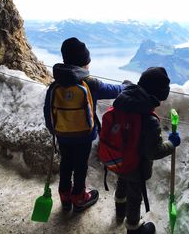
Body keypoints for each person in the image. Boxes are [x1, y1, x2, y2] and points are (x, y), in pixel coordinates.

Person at [43, 37, 127, 212]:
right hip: (83, 136)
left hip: (62, 134)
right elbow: (115, 91)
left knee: (66, 162)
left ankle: (65, 195)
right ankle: (79, 196)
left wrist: (55, 131)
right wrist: (126, 85)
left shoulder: (55, 85)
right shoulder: (90, 83)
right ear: (83, 63)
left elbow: (47, 110)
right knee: (80, 165)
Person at [111, 67, 181, 234]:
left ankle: (119, 210)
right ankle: (133, 227)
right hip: (136, 167)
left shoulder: (123, 102)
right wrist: (171, 143)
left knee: (122, 182)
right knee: (135, 197)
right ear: (159, 95)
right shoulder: (149, 120)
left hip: (118, 158)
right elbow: (153, 152)